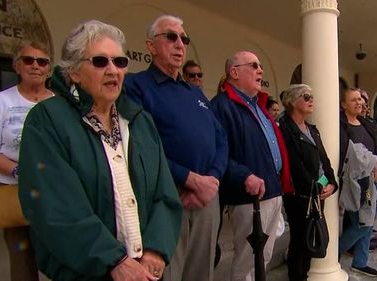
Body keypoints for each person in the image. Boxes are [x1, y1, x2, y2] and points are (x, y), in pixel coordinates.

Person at [17, 20, 183, 281]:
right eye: (99, 62)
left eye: (119, 62)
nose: (112, 70)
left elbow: (165, 193)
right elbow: (55, 206)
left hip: (144, 271)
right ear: (73, 72)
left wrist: (155, 250)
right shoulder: (47, 120)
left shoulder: (140, 121)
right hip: (87, 272)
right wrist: (114, 260)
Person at [124, 15, 228, 281]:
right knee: (168, 273)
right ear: (150, 46)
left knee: (200, 273)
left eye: (184, 38)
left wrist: (211, 180)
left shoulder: (194, 92)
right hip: (167, 196)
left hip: (207, 197)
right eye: (171, 37)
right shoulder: (135, 86)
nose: (180, 44)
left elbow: (220, 139)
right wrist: (189, 178)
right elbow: (139, 146)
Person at [210, 50, 292, 281]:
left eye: (260, 65)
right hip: (249, 196)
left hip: (272, 190)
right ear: (234, 72)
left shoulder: (259, 106)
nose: (261, 70)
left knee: (262, 260)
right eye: (254, 65)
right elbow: (216, 155)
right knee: (248, 264)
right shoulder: (221, 106)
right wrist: (243, 176)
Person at [0, 41, 54, 281]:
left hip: (52, 189)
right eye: (28, 60)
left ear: (49, 69)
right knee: (21, 256)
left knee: (59, 250)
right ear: (17, 66)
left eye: (42, 61)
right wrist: (18, 171)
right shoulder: (1, 101)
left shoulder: (59, 103)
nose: (35, 66)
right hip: (13, 190)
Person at [278, 84, 337, 281]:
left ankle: (304, 276)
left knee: (311, 239)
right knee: (299, 241)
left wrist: (330, 182)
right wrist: (317, 185)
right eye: (306, 96)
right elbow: (295, 165)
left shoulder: (312, 129)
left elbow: (324, 160)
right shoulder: (285, 128)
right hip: (299, 195)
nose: (311, 100)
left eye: (312, 96)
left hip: (317, 193)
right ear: (292, 102)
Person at [338, 88, 377, 277]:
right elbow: (349, 154)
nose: (359, 103)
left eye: (360, 100)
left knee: (369, 223)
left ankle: (360, 261)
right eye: (354, 100)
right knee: (361, 223)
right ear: (343, 104)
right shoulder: (340, 125)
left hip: (372, 179)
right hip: (354, 182)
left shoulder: (366, 124)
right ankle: (333, 254)